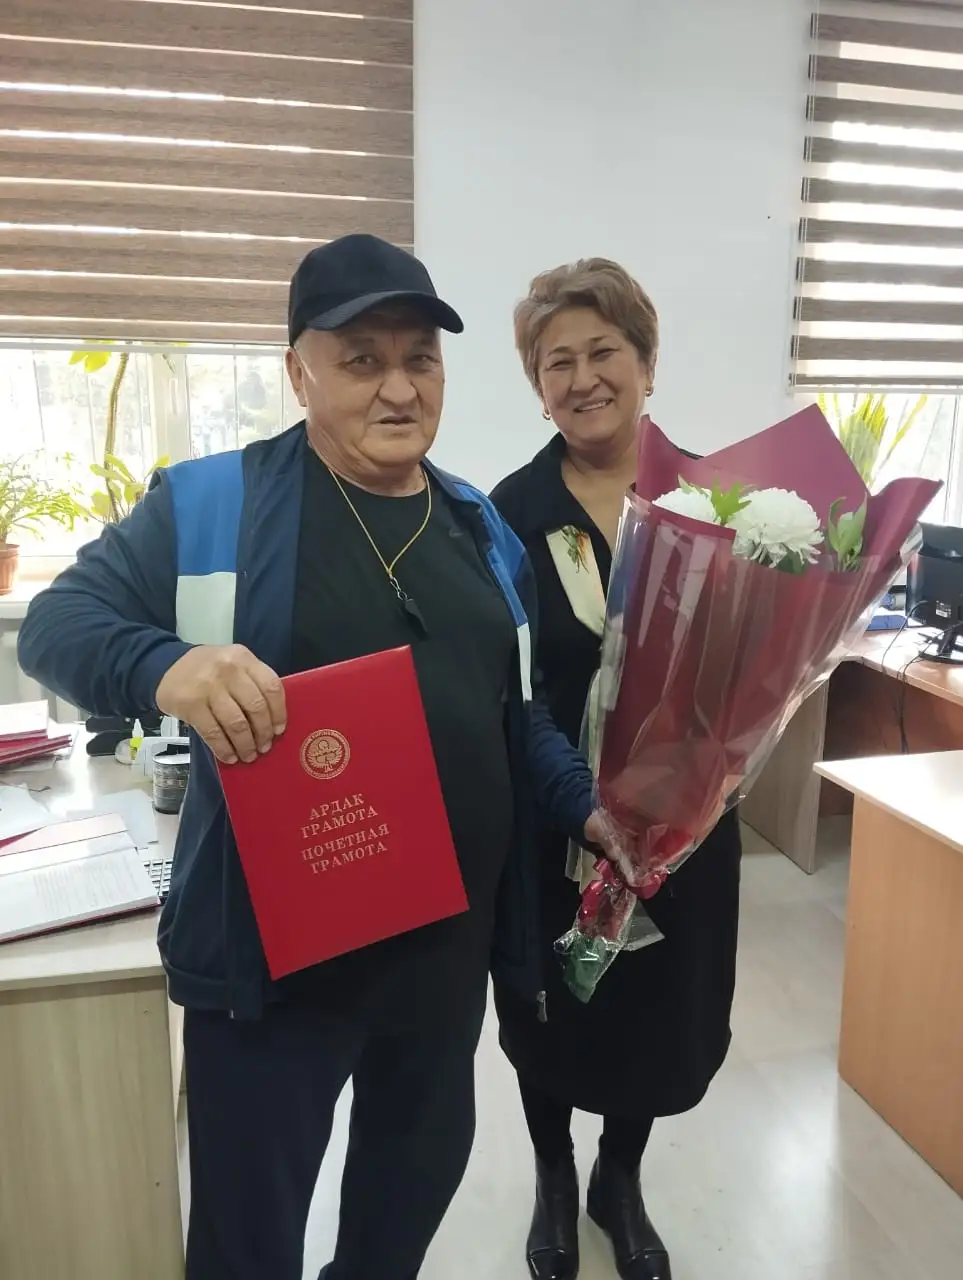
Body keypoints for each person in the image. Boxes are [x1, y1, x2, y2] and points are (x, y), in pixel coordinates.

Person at [17, 234, 607, 1280]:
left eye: (419, 358)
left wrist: (586, 805)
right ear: (299, 372)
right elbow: (56, 625)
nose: (398, 388)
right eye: (361, 359)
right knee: (247, 1238)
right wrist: (168, 665)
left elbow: (514, 718)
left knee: (407, 1198)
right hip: (278, 970)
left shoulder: (478, 525)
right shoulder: (215, 503)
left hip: (442, 954)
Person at [491, 259, 743, 1280]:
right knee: (552, 1009)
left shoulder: (719, 500)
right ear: (536, 385)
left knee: (654, 1011)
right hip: (553, 822)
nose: (583, 377)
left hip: (684, 825)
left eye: (604, 352)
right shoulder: (506, 512)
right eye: (558, 362)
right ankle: (554, 1176)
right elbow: (506, 687)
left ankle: (618, 1178)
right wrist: (579, 801)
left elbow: (750, 661)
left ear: (646, 363)